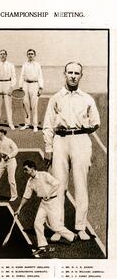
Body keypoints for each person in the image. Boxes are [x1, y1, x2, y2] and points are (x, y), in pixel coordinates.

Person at [43, 62, 100, 241]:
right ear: (64, 74)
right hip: (60, 141)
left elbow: (96, 122)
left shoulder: (87, 98)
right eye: (70, 72)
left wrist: (82, 129)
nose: (73, 76)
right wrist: (48, 148)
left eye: (76, 73)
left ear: (81, 76)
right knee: (58, 186)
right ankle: (58, 228)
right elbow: (47, 125)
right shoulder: (56, 98)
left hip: (81, 142)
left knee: (81, 185)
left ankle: (80, 227)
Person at [16, 161, 77, 256]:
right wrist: (19, 208)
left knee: (55, 226)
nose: (25, 171)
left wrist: (49, 193)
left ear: (32, 168)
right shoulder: (30, 182)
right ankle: (42, 246)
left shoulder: (44, 175)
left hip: (53, 203)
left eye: (26, 169)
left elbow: (57, 184)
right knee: (37, 223)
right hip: (43, 203)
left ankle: (72, 236)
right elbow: (26, 196)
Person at [18, 49, 44, 132]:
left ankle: (35, 125)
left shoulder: (37, 65)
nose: (30, 55)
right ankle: (27, 124)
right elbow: (22, 75)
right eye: (29, 54)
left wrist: (40, 87)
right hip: (25, 85)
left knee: (34, 106)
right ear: (27, 55)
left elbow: (40, 76)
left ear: (34, 55)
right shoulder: (24, 64)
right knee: (25, 105)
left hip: (35, 85)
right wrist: (20, 86)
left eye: (32, 54)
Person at [0, 49, 17, 130]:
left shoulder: (11, 65)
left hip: (7, 84)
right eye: (1, 54)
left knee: (8, 106)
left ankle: (10, 123)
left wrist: (11, 88)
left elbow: (13, 77)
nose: (2, 55)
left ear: (6, 55)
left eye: (4, 54)